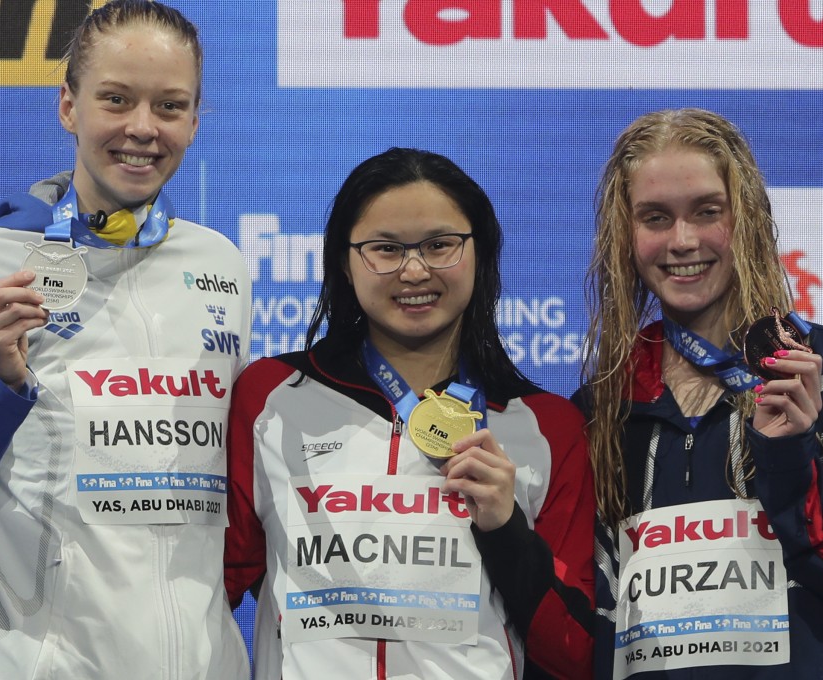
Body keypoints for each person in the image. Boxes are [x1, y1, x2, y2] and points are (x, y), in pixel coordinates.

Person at [0, 1, 251, 677]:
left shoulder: (220, 267)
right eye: (116, 100)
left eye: (171, 106)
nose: (143, 128)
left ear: (195, 121)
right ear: (68, 106)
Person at [576, 108, 823, 679]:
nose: (683, 241)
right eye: (656, 217)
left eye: (707, 212)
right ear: (625, 234)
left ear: (749, 219)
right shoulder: (602, 409)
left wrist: (789, 462)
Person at [224, 147, 595, 679]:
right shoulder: (270, 397)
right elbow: (209, 589)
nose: (415, 270)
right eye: (385, 249)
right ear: (344, 264)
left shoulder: (547, 425)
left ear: (480, 253)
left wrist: (506, 530)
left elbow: (575, 651)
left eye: (441, 245)